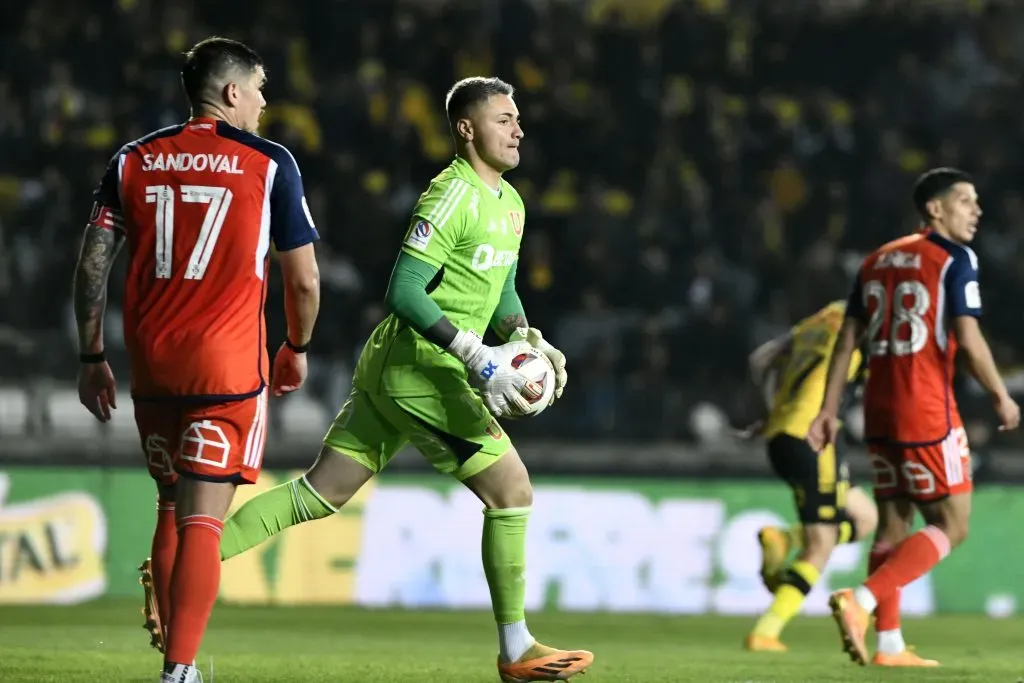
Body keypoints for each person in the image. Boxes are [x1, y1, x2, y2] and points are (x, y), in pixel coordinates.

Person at [74, 37, 320, 683]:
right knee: (203, 518)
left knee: (167, 502)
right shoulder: (269, 163)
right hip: (226, 367)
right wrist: (294, 346)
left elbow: (92, 262)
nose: (265, 102)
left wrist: (91, 353)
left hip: (153, 365)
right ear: (232, 91)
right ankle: (180, 669)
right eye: (260, 89)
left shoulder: (134, 159)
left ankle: (170, 645)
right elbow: (303, 282)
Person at [808, 167, 1020, 666]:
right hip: (926, 407)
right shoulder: (954, 258)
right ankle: (859, 601)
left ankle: (890, 646)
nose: (977, 210)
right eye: (966, 201)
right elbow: (967, 337)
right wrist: (1000, 394)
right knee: (955, 523)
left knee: (893, 525)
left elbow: (846, 341)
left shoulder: (876, 259)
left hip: (878, 409)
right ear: (935, 209)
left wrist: (827, 410)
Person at [741, 301, 878, 653]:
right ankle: (766, 632)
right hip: (814, 436)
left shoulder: (820, 318)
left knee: (865, 517)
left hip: (781, 434)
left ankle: (785, 537)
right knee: (822, 543)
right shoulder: (868, 323)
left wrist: (768, 412)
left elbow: (761, 359)